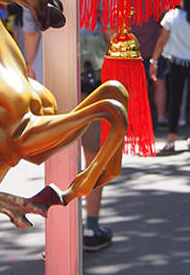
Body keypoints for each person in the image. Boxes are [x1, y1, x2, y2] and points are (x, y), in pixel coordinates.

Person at [150, 0, 190, 152]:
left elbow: (162, 41)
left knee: (175, 100)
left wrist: (154, 61)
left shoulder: (172, 16)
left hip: (177, 62)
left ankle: (171, 138)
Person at [79, 25, 114, 251]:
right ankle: (91, 227)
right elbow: (115, 40)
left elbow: (32, 31)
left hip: (55, 80)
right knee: (93, 156)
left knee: (59, 157)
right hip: (94, 82)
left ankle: (60, 228)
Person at [133, 17, 168, 128]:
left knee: (137, 86)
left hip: (135, 49)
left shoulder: (127, 2)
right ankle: (160, 116)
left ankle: (139, 118)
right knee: (159, 82)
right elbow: (164, 23)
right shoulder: (155, 1)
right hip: (155, 49)